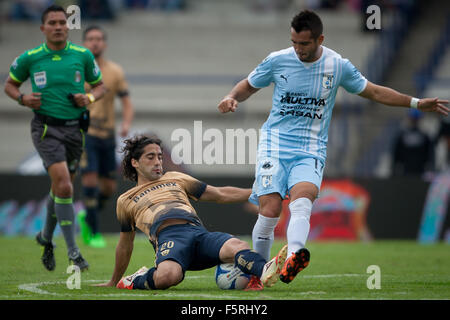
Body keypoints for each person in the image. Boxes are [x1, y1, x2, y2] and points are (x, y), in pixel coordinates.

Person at [217, 10, 449, 289]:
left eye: (304, 44)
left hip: (311, 149)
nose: (298, 49)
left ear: (320, 39)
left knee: (303, 200)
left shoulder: (337, 65)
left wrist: (414, 103)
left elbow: (373, 92)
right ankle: (259, 274)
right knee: (270, 208)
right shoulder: (278, 60)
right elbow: (248, 85)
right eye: (294, 43)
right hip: (275, 145)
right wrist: (231, 97)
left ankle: (294, 255)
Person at [96, 135, 287, 291]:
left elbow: (220, 194)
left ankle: (264, 270)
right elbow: (125, 245)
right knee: (168, 277)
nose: (158, 162)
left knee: (237, 245)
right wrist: (114, 280)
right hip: (170, 239)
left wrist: (261, 193)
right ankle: (135, 280)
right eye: (150, 157)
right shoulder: (126, 200)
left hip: (198, 234)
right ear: (135, 162)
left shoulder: (175, 178)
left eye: (160, 157)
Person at [4, 5, 106, 271]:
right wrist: (22, 98)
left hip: (75, 130)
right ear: (43, 28)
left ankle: (45, 238)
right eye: (53, 22)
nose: (59, 26)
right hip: (46, 128)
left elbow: (100, 86)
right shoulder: (31, 57)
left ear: (68, 26)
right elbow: (10, 84)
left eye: (63, 22)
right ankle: (73, 251)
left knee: (62, 188)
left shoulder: (82, 56)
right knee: (64, 185)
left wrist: (90, 98)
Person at [77, 25, 134, 248]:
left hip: (107, 135)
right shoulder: (77, 71)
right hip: (85, 133)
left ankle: (87, 215)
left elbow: (127, 102)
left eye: (99, 39)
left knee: (109, 187)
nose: (95, 42)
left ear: (105, 44)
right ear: (84, 43)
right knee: (90, 180)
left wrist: (126, 123)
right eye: (90, 39)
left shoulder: (115, 71)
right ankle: (92, 231)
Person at [392, 109, 433, 176]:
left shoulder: (425, 136)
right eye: (413, 119)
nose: (414, 121)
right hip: (405, 171)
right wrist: (395, 169)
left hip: (420, 171)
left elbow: (429, 154)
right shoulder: (402, 136)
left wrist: (429, 168)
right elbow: (396, 154)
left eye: (416, 119)